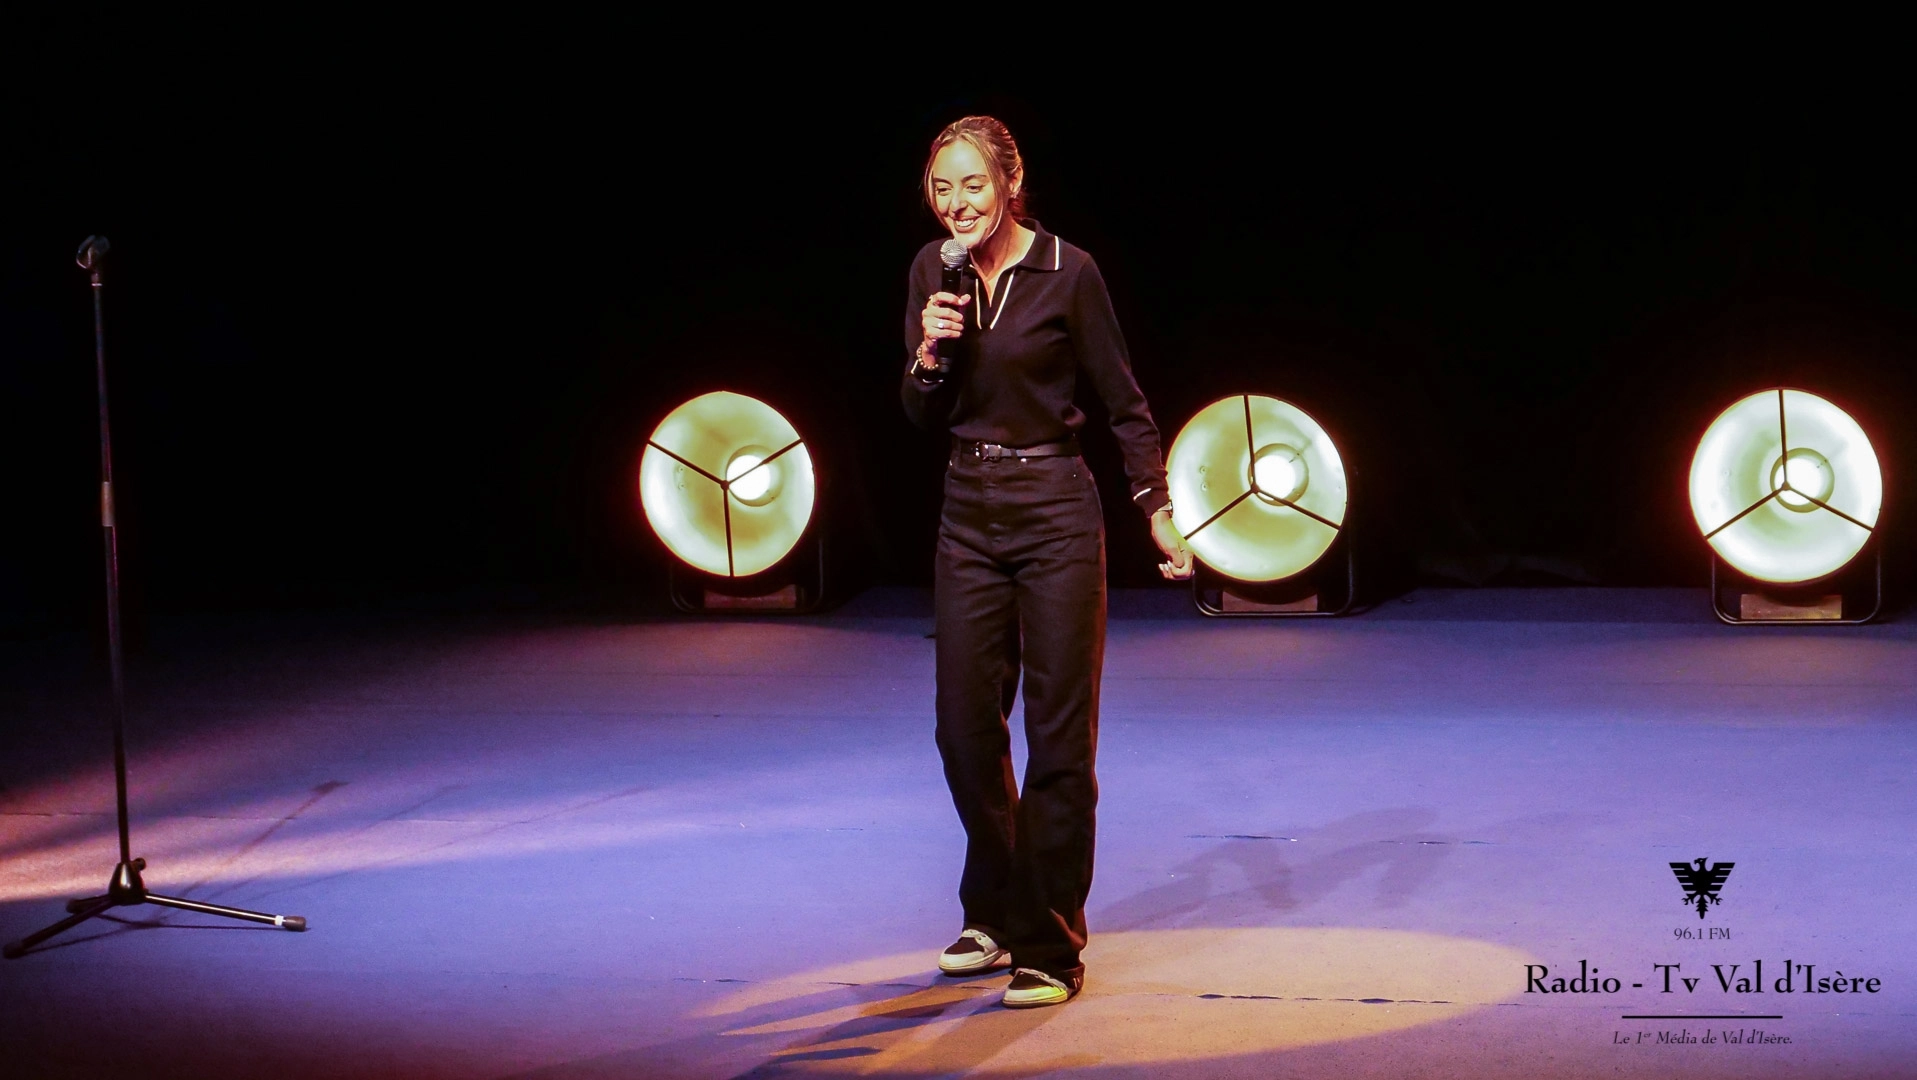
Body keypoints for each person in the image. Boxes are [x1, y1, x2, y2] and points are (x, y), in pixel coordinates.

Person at [900, 115, 1193, 1009]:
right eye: (941, 188)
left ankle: (1049, 942)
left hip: (1055, 507)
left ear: (1010, 182)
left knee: (1059, 737)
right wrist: (927, 356)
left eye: (972, 185)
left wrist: (1155, 508)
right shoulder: (931, 269)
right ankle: (993, 908)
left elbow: (1122, 402)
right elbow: (919, 413)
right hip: (967, 508)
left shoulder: (1070, 270)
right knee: (962, 730)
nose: (956, 204)